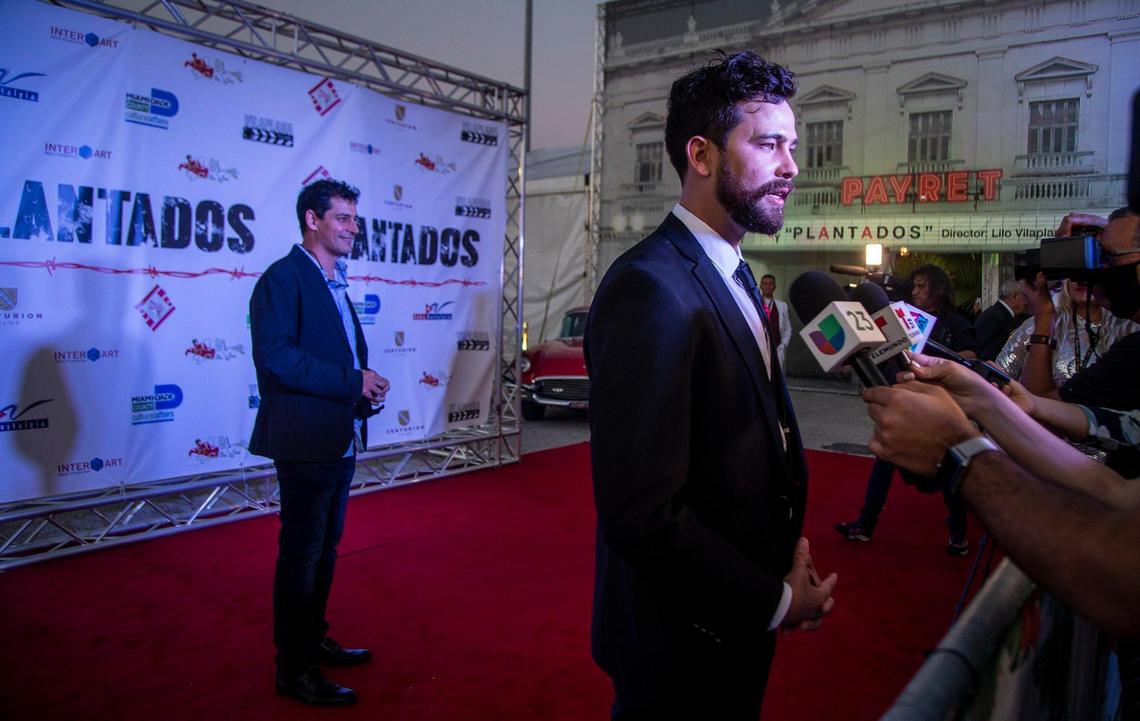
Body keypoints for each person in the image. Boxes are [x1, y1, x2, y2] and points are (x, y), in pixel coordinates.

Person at [585, 51, 837, 720]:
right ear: (701, 155)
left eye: (792, 145)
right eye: (768, 145)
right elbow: (643, 512)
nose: (792, 165)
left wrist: (782, 554)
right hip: (680, 647)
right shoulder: (650, 288)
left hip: (736, 618)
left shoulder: (733, 272)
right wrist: (776, 601)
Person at [249, 179, 390, 707]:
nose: (354, 228)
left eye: (355, 218)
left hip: (337, 438)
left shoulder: (335, 282)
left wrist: (363, 388)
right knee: (302, 556)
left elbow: (338, 356)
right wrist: (351, 381)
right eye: (343, 218)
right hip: (304, 440)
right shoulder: (282, 279)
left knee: (324, 551)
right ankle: (294, 669)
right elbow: (278, 358)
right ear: (313, 220)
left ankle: (312, 638)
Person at [835, 263, 977, 555]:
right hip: (905, 402)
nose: (915, 292)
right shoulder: (900, 322)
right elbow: (885, 359)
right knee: (883, 462)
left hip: (943, 409)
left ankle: (958, 533)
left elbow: (970, 356)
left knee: (952, 469)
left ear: (939, 288)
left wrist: (933, 361)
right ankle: (865, 524)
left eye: (922, 286)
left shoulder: (956, 324)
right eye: (914, 286)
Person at [974, 279, 1028, 361]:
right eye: (1025, 296)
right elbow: (988, 355)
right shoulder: (994, 318)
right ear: (1015, 296)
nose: (1028, 302)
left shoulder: (998, 314)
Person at [759, 273, 793, 369]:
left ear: (774, 287)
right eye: (765, 284)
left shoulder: (782, 306)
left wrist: (784, 343)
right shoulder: (755, 304)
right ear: (761, 286)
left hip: (777, 347)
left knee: (777, 373)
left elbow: (788, 328)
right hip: (760, 347)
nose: (768, 286)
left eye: (770, 284)